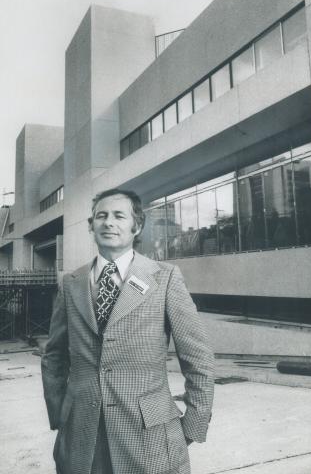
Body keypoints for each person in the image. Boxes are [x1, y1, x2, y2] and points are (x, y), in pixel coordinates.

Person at [41, 188, 214, 474]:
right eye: (101, 216)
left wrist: (194, 423)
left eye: (119, 216)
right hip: (81, 438)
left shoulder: (165, 277)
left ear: (137, 226)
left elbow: (199, 359)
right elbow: (54, 357)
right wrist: (62, 413)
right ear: (91, 226)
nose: (109, 223)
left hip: (151, 436)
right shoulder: (71, 283)